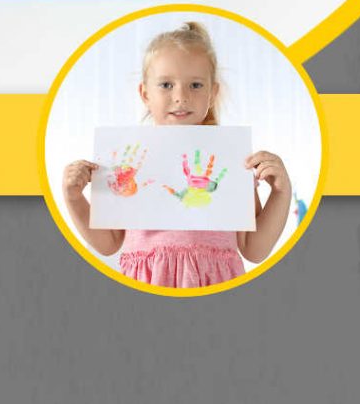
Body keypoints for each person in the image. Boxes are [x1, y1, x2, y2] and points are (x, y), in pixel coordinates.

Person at [63, 21, 292, 288]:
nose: (181, 96)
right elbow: (108, 243)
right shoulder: (128, 162)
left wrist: (280, 192)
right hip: (147, 283)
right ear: (145, 93)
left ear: (212, 93)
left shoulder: (229, 161)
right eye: (166, 85)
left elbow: (255, 249)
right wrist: (73, 197)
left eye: (195, 85)